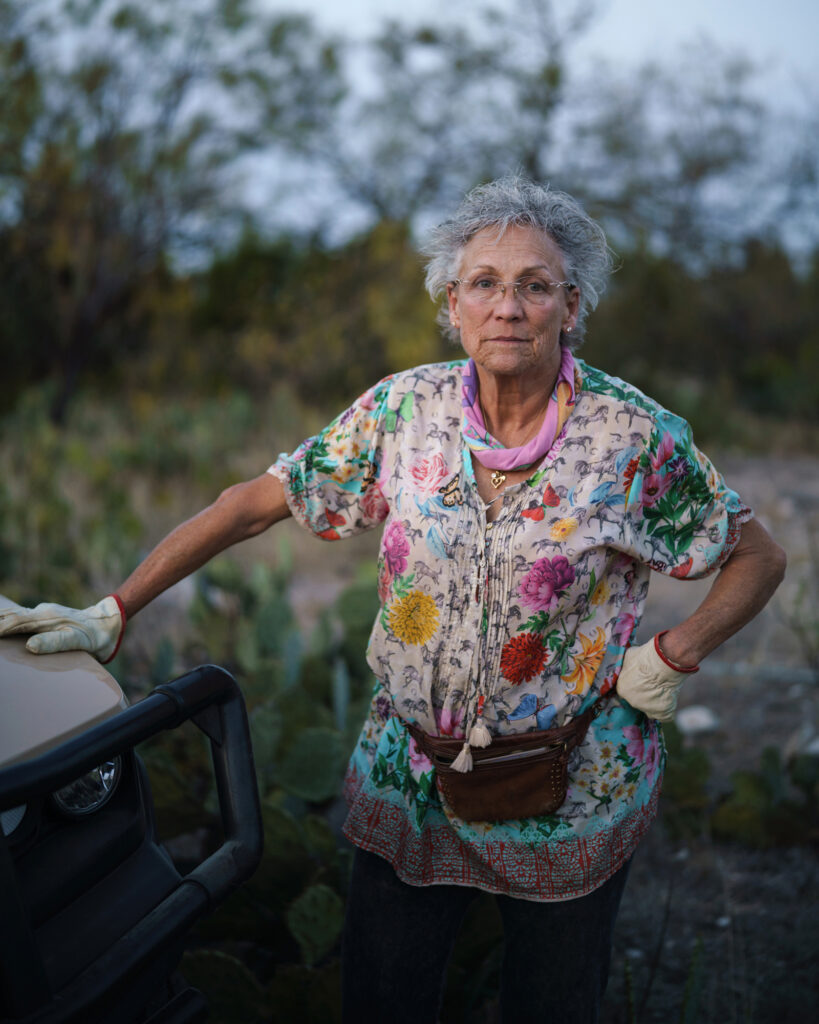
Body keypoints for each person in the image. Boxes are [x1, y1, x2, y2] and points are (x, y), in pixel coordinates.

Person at [0, 176, 786, 1023]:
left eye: (534, 284)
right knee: (381, 1000)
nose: (508, 307)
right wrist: (117, 610)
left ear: (572, 304)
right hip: (411, 777)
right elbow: (254, 502)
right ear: (452, 304)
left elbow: (756, 554)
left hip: (574, 783)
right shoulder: (403, 409)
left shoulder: (634, 438)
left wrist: (676, 652)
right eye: (484, 282)